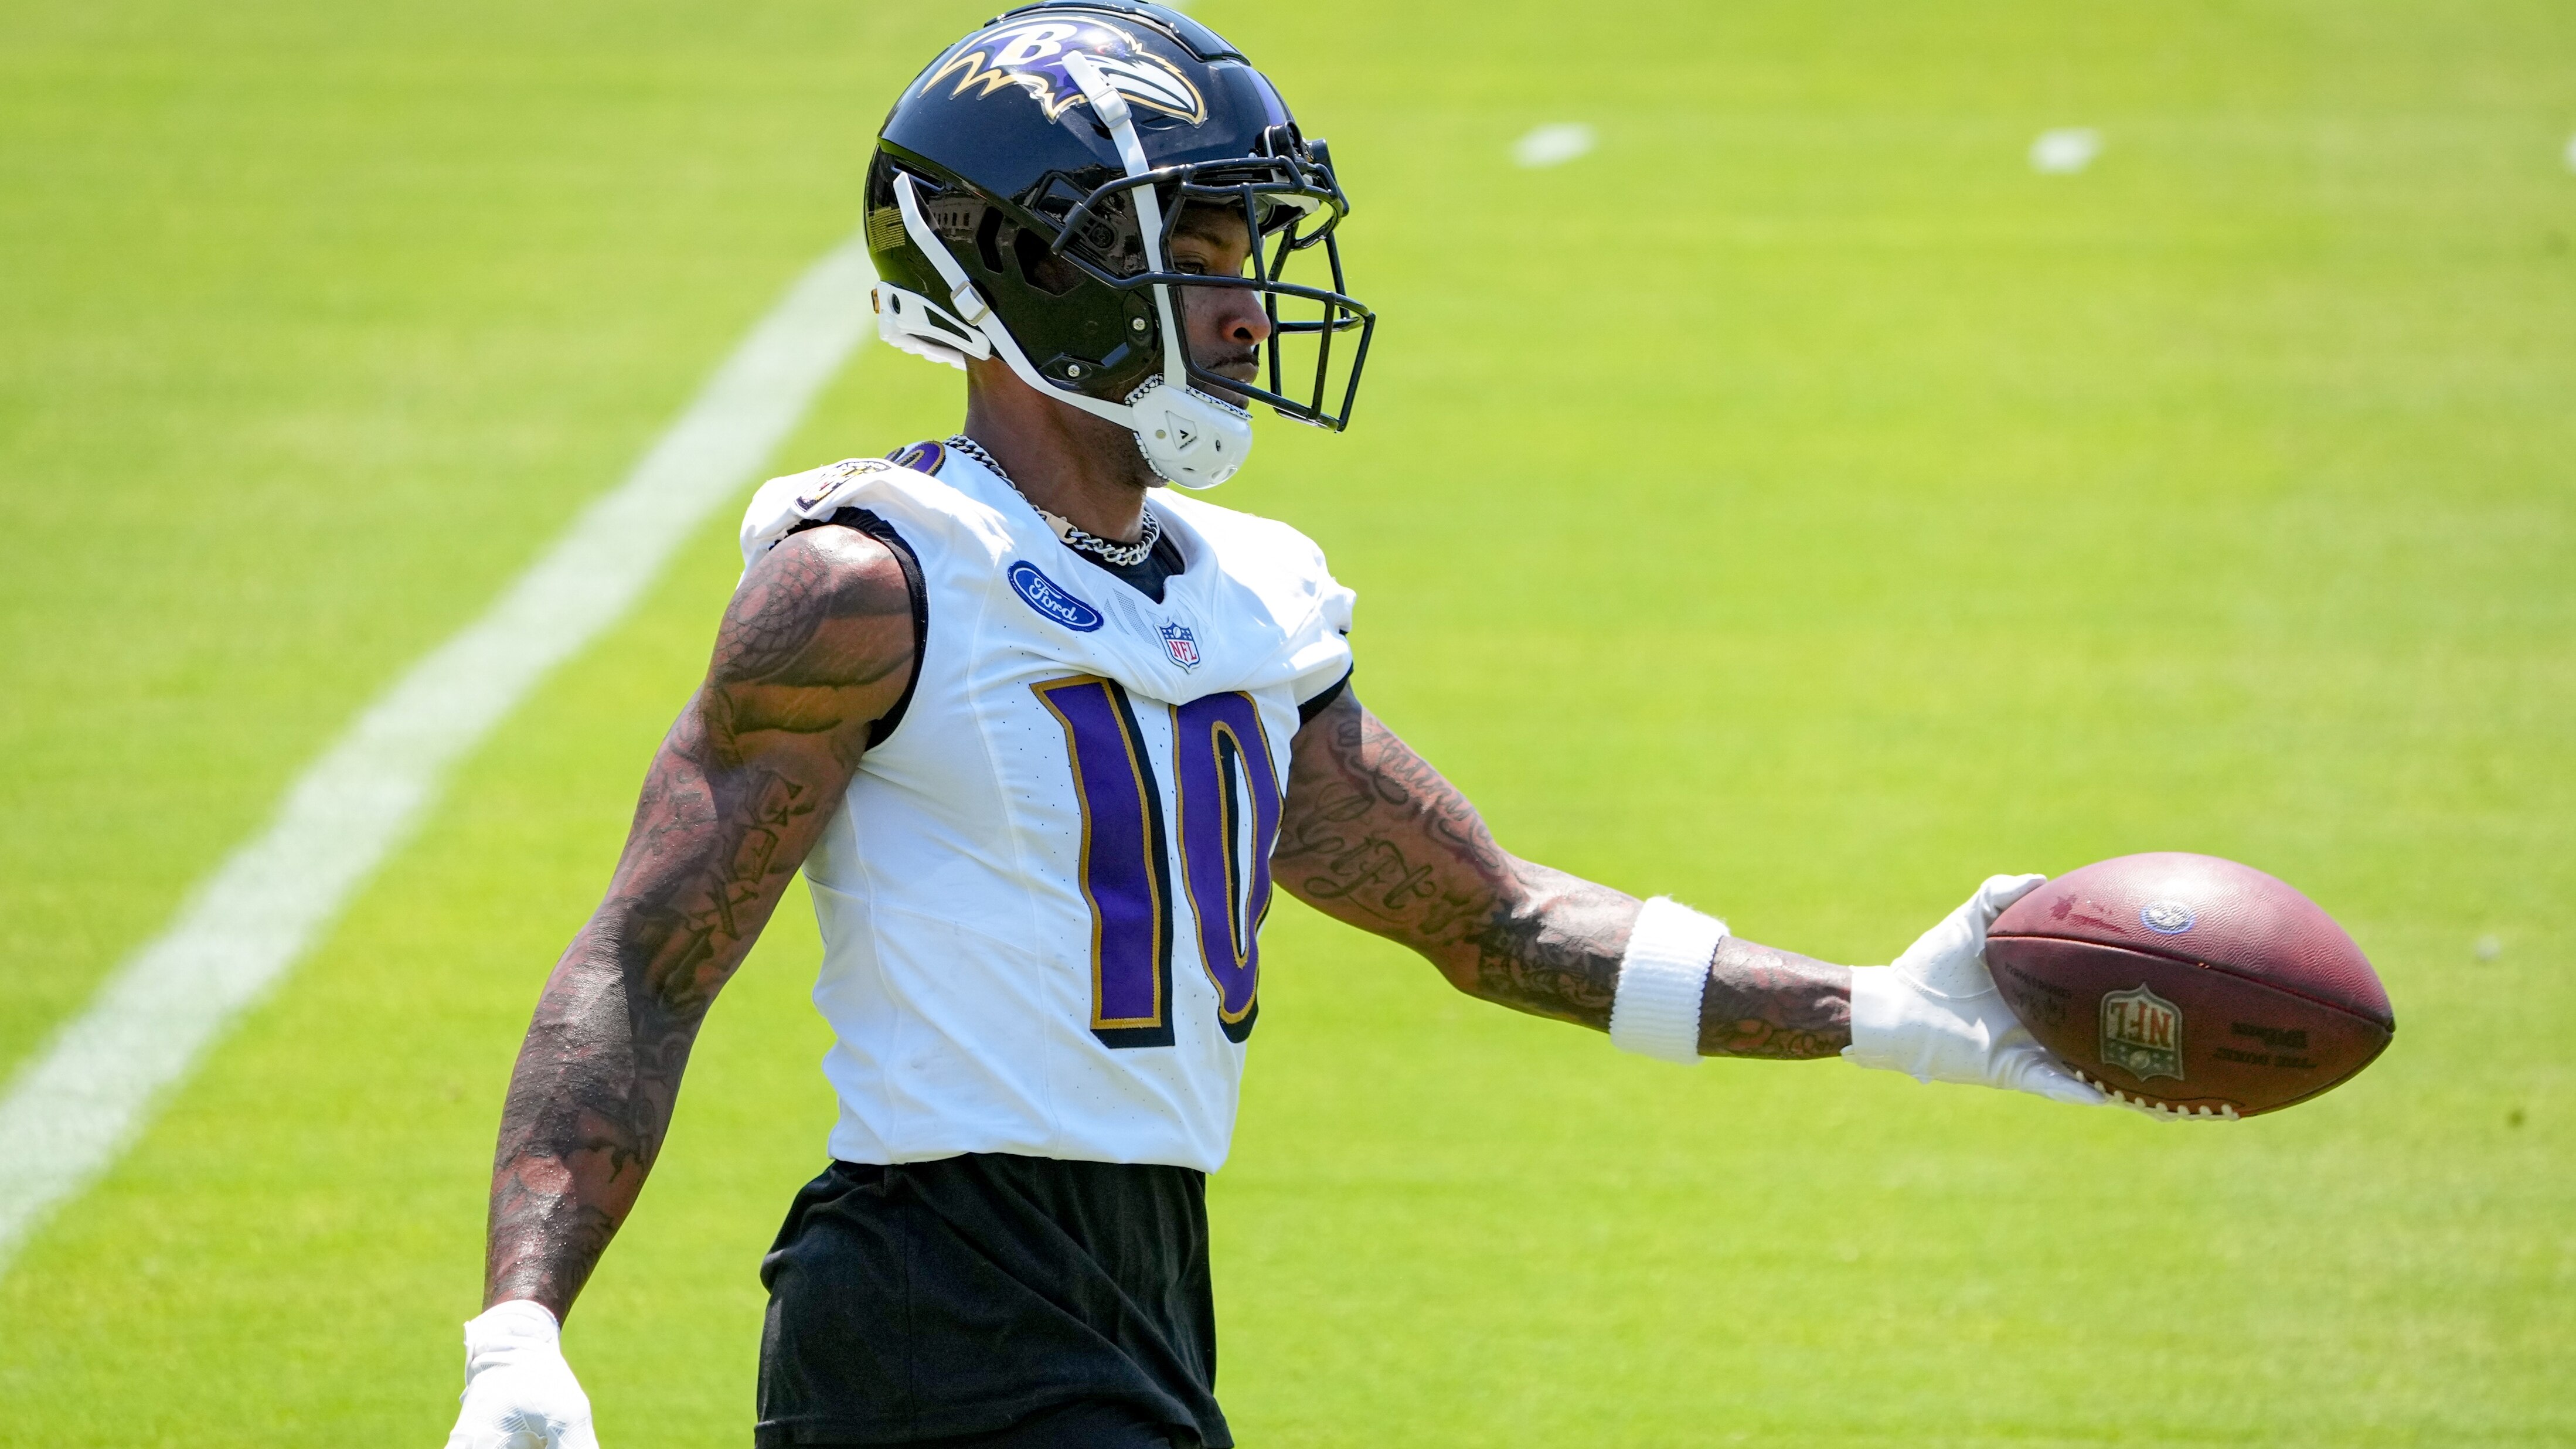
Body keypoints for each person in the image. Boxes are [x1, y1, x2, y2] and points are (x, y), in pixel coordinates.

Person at [443, 4, 2104, 1445]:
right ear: (1036, 264)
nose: (1246, 307)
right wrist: (522, 1328)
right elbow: (647, 961)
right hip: (938, 1307)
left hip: (1142, 1291)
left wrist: (1881, 1011)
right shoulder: (872, 583)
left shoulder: (1244, 595)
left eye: (1249, 254)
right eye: (1202, 251)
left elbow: (1492, 920)